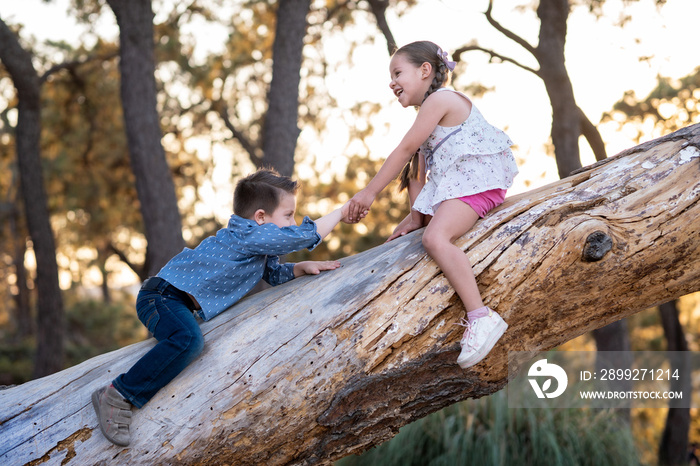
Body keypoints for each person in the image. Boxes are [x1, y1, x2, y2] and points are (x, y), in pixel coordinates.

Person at [92, 168, 351, 446]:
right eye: (288, 215)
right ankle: (118, 394)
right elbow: (300, 237)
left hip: (172, 301)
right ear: (260, 217)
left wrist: (299, 267)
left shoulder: (254, 243)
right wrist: (340, 212)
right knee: (189, 340)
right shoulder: (248, 235)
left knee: (186, 339)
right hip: (161, 297)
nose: (293, 222)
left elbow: (273, 274)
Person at [347, 40, 518, 370]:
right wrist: (414, 217)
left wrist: (368, 193)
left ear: (425, 70)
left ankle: (481, 316)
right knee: (423, 233)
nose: (391, 82)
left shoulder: (441, 99)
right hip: (466, 186)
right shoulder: (430, 113)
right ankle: (476, 314)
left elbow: (403, 150)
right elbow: (418, 174)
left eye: (398, 72)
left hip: (477, 184)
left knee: (435, 239)